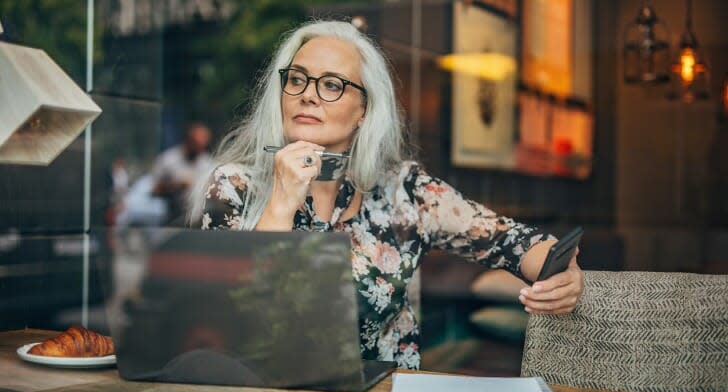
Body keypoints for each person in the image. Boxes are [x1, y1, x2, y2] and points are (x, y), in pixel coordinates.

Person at [189, 20, 584, 370]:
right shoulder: (234, 186)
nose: (308, 94)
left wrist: (566, 274)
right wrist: (280, 202)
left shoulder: (404, 191)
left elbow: (518, 244)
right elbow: (234, 326)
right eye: (297, 79)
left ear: (364, 110)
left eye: (331, 84)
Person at [152, 122, 212, 225]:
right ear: (188, 141)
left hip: (199, 221)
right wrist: (176, 185)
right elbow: (154, 190)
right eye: (196, 144)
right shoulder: (168, 160)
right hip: (172, 219)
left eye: (202, 145)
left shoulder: (208, 163)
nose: (199, 149)